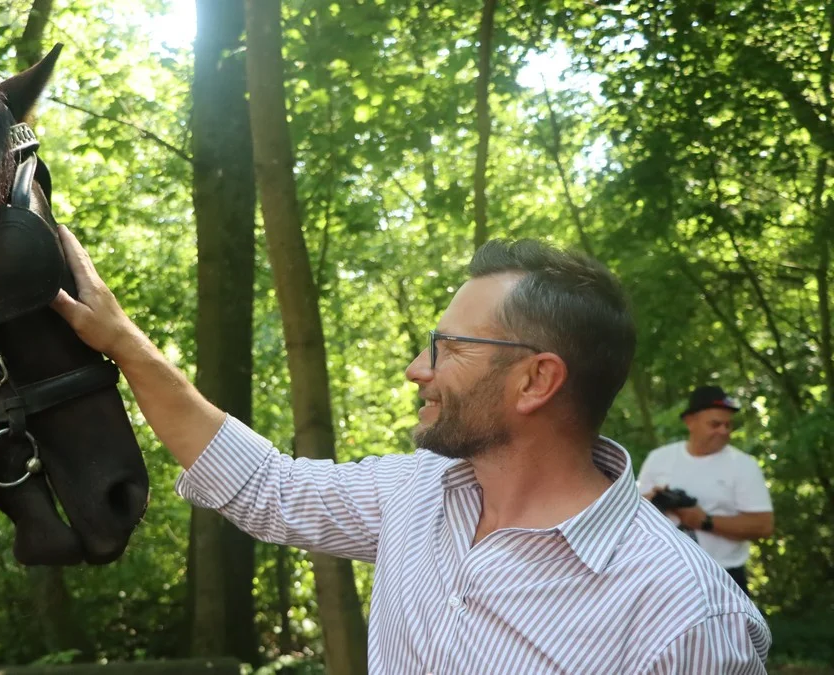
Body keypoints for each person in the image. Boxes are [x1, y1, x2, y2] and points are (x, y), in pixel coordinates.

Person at [49, 230, 771, 673]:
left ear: (537, 379)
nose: (416, 369)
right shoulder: (417, 493)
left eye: (449, 347)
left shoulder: (687, 619)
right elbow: (265, 486)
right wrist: (122, 343)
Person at [637, 385, 774, 598]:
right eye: (715, 424)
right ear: (690, 421)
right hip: (665, 575)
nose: (724, 431)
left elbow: (764, 525)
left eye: (728, 425)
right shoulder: (659, 459)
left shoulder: (743, 465)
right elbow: (635, 512)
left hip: (723, 577)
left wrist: (704, 521)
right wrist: (655, 500)